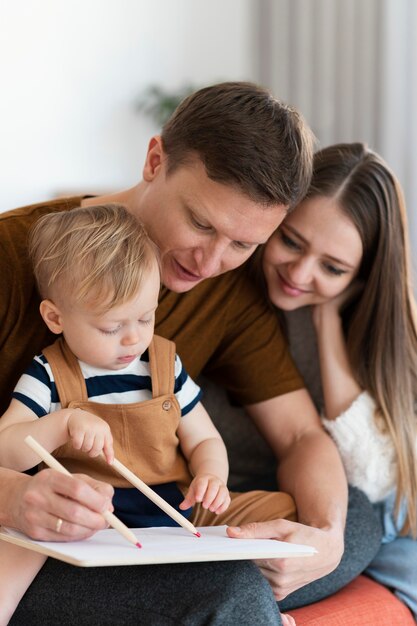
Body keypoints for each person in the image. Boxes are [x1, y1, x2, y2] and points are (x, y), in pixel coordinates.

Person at [0, 82, 381, 624]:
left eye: (244, 244)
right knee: (231, 593)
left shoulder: (229, 286)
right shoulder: (16, 252)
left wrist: (324, 543)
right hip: (50, 539)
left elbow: (300, 436)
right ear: (155, 160)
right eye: (201, 224)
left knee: (356, 516)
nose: (210, 262)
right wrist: (14, 497)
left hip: (163, 522)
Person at [260, 142, 417, 619]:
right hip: (262, 509)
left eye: (332, 267)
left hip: (382, 551)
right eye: (290, 240)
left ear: (363, 277)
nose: (300, 274)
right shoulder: (235, 299)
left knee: (367, 519)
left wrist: (327, 321)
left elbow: (375, 484)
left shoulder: (374, 333)